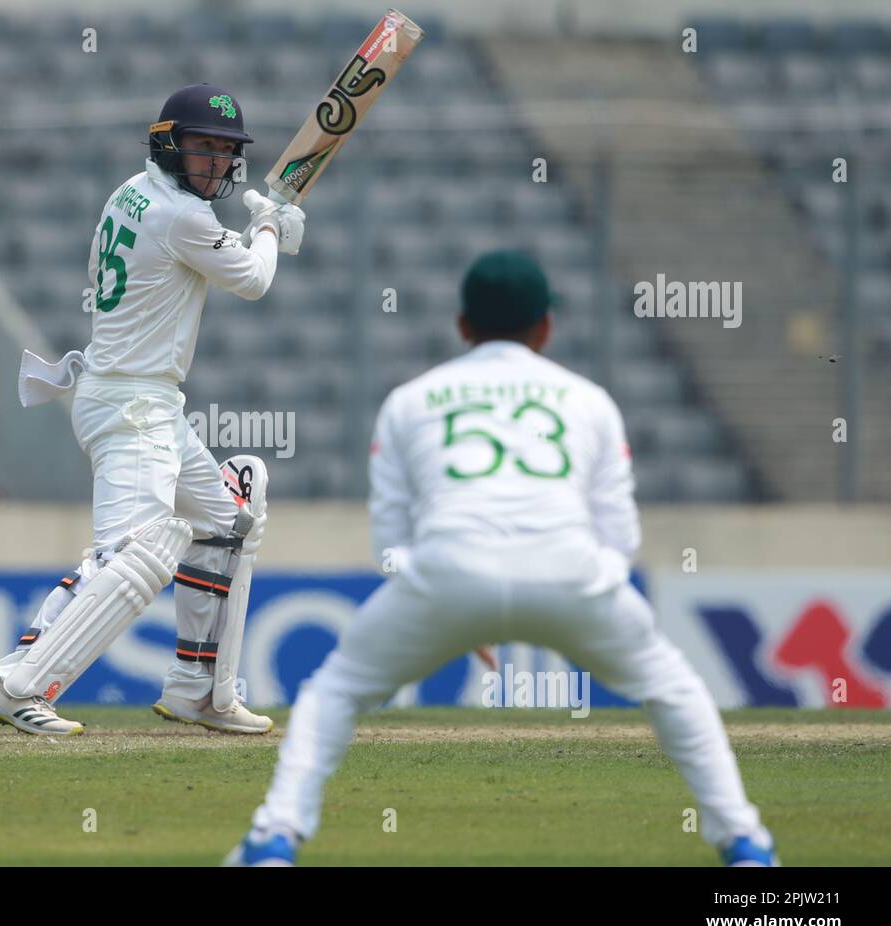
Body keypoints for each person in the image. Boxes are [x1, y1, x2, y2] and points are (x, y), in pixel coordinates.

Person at [228, 250, 778, 866]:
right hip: (572, 572)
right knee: (674, 688)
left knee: (333, 692)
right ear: (546, 326)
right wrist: (589, 597)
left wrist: (453, 608)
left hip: (446, 574)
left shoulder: (411, 400)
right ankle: (746, 844)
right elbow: (619, 536)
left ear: (463, 326)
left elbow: (391, 544)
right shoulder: (589, 399)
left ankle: (275, 840)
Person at [0, 83, 306, 736]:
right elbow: (256, 280)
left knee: (228, 521)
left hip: (143, 401)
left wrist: (259, 228)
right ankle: (14, 686)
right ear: (168, 145)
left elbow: (206, 248)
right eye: (202, 148)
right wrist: (268, 226)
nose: (214, 163)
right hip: (131, 407)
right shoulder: (183, 217)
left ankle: (199, 691)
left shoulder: (137, 191)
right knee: (137, 554)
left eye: (225, 152)